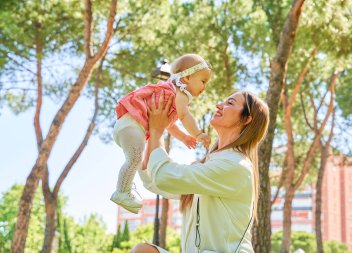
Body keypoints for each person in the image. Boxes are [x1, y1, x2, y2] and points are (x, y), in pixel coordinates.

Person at [132, 90, 270, 253]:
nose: (219, 105)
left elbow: (164, 177)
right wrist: (151, 130)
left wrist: (157, 130)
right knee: (143, 250)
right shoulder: (213, 163)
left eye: (230, 103)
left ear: (247, 119)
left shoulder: (236, 165)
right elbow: (155, 182)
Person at [111, 54, 212, 213]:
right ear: (186, 78)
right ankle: (122, 192)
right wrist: (198, 134)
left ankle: (125, 191)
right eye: (203, 81)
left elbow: (168, 125)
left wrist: (184, 137)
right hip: (133, 123)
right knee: (135, 159)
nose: (204, 87)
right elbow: (185, 115)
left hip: (128, 125)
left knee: (136, 160)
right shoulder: (181, 94)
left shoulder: (170, 95)